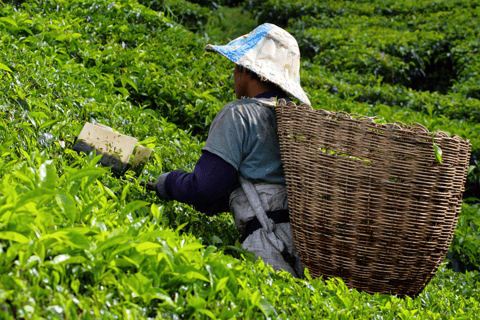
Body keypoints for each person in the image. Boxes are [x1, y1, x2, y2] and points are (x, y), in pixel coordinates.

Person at [150, 23, 311, 277]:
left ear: (244, 71)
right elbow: (221, 197)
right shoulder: (300, 122)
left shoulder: (239, 115)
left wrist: (168, 182)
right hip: (308, 249)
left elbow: (205, 188)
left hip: (266, 243)